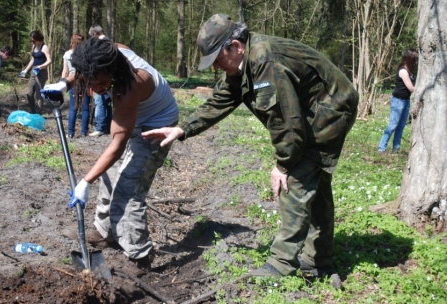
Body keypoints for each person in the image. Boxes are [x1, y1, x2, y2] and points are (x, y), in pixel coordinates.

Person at [142, 14, 359, 278]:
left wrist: (283, 164)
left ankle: (283, 265)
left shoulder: (265, 62)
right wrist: (184, 127)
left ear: (235, 46)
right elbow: (224, 97)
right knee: (316, 182)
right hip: (316, 109)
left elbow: (286, 123)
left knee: (296, 180)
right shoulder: (244, 63)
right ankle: (319, 261)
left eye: (218, 59)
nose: (216, 68)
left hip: (329, 111)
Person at [41, 38, 179, 274]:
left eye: (103, 82)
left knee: (129, 187)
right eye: (92, 82)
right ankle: (104, 232)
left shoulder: (131, 84)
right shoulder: (105, 54)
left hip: (157, 126)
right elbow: (82, 68)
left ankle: (138, 255)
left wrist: (85, 182)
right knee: (109, 176)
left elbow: (118, 143)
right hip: (136, 118)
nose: (99, 88)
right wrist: (65, 83)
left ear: (112, 70)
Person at [378, 49, 418, 154]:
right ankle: (382, 148)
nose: (417, 62)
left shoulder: (410, 71)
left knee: (400, 126)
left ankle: (396, 149)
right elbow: (411, 88)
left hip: (406, 101)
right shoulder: (403, 71)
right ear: (410, 59)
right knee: (393, 125)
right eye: (415, 59)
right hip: (398, 101)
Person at [61, 33, 91, 138]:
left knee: (73, 108)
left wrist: (63, 83)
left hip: (73, 82)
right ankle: (84, 132)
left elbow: (65, 71)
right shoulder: (86, 53)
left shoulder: (67, 54)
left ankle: (70, 133)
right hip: (85, 82)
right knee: (85, 108)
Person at [88, 25, 112, 137]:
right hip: (109, 77)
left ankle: (100, 127)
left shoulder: (102, 43)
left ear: (94, 34)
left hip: (103, 78)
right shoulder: (109, 42)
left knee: (100, 102)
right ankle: (108, 126)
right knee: (107, 103)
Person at [19, 30, 52, 114]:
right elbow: (33, 60)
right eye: (31, 41)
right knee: (29, 93)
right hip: (34, 71)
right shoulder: (33, 47)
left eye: (33, 41)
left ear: (38, 39)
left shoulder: (44, 47)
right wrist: (25, 70)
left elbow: (49, 61)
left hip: (41, 71)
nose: (32, 42)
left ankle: (38, 113)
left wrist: (40, 67)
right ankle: (32, 111)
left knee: (38, 94)